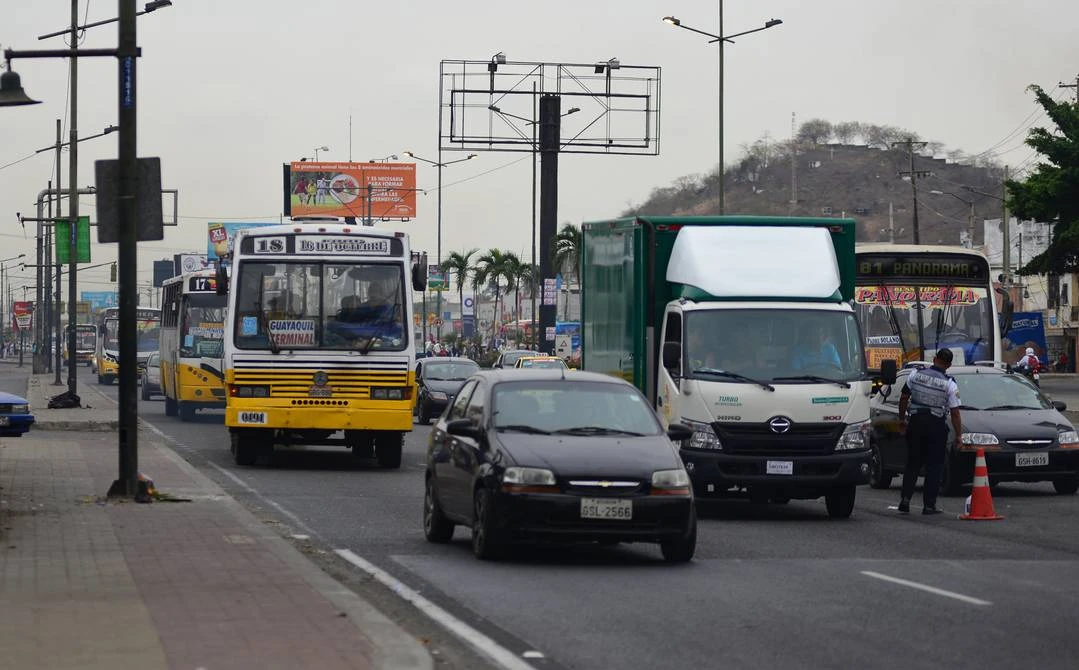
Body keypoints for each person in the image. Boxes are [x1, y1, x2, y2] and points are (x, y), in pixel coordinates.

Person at [897, 349, 962, 515]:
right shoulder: (950, 383)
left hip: (916, 423)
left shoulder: (915, 374)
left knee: (912, 463)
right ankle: (929, 505)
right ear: (949, 365)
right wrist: (959, 435)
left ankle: (905, 501)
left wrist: (901, 420)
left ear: (934, 359)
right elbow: (955, 412)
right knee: (934, 466)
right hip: (935, 425)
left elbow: (904, 397)